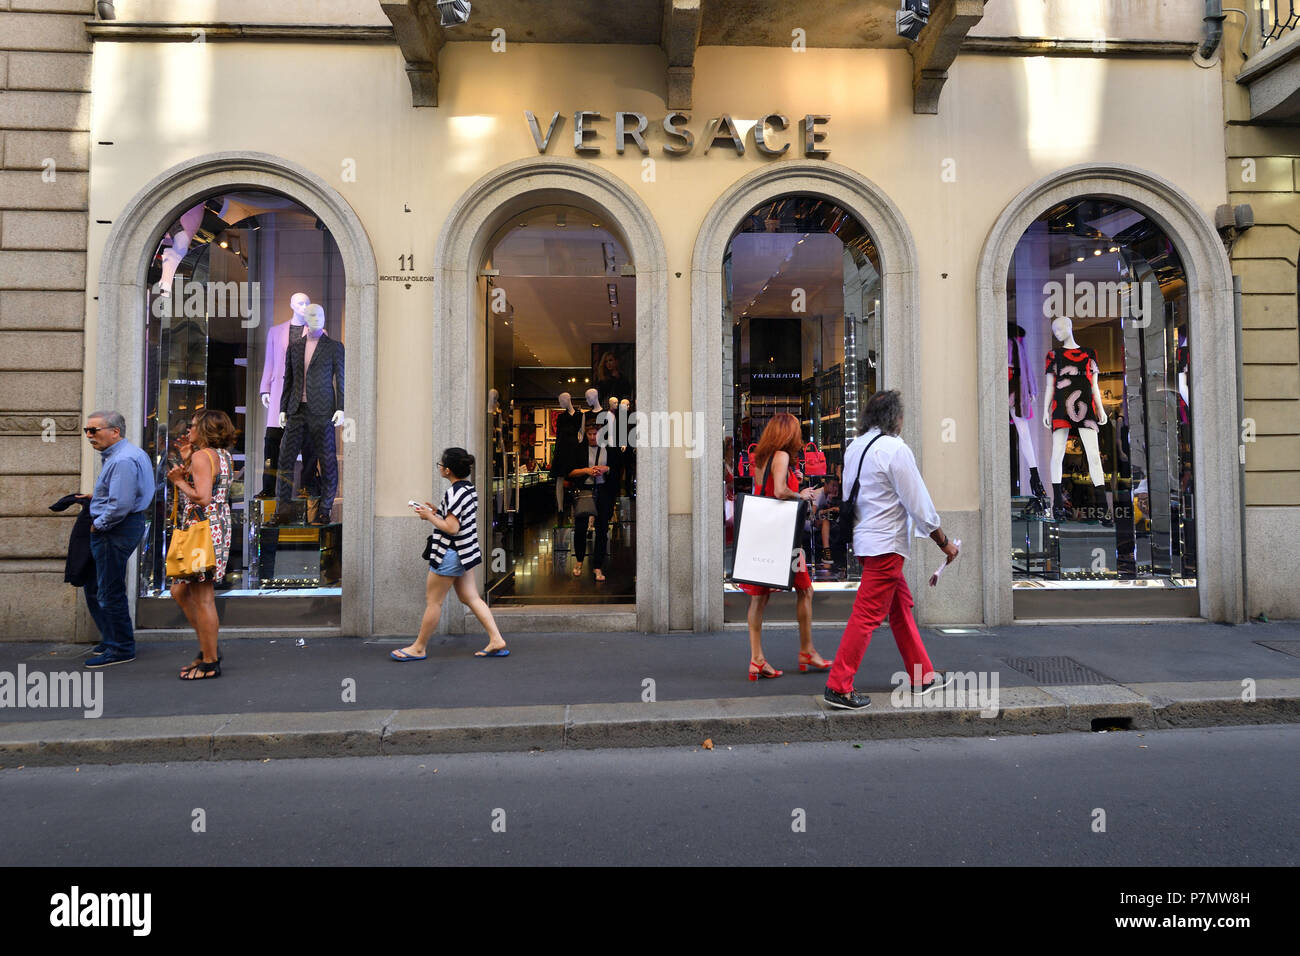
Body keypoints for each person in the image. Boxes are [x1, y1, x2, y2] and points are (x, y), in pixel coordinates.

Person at [823, 390, 958, 710]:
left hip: (866, 542)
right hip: (887, 545)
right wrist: (944, 542)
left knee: (900, 608)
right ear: (894, 418)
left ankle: (922, 675)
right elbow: (919, 505)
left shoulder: (855, 448)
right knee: (866, 615)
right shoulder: (895, 450)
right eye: (901, 417)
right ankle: (839, 685)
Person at [737, 412, 831, 680]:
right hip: (784, 540)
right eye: (796, 431)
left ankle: (757, 659)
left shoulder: (763, 459)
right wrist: (799, 493)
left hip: (765, 537)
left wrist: (794, 479)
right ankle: (806, 651)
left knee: (759, 598)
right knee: (806, 590)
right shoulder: (782, 456)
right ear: (788, 433)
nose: (799, 436)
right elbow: (779, 492)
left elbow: (765, 491)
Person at [391, 447, 509, 661]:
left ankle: (418, 647)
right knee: (470, 597)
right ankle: (496, 639)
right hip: (465, 551)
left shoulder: (454, 492)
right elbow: (457, 520)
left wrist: (429, 517)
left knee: (433, 602)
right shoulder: (469, 489)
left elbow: (452, 528)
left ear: (447, 470)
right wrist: (436, 512)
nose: (440, 468)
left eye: (441, 465)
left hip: (450, 552)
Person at [167, 409, 237, 680]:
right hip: (215, 526)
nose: (189, 431)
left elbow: (203, 497)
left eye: (194, 426)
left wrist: (179, 481)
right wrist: (187, 462)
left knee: (203, 596)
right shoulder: (222, 456)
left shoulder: (202, 456)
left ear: (205, 429)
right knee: (180, 591)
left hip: (202, 529)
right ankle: (208, 648)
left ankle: (210, 660)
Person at [82, 410, 155, 668]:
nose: (89, 435)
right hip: (121, 525)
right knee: (100, 586)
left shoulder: (122, 460)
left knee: (109, 590)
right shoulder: (129, 454)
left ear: (115, 431)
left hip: (116, 528)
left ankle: (121, 647)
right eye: (87, 430)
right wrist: (97, 498)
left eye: (94, 430)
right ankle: (113, 639)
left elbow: (121, 504)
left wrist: (99, 524)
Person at [567, 420, 620, 583]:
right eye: (589, 434)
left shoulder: (610, 449)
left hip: (603, 492)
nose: (592, 437)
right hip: (584, 491)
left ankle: (598, 566)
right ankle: (579, 561)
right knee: (581, 527)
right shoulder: (579, 449)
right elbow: (569, 472)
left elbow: (617, 469)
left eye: (595, 434)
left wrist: (607, 469)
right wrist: (586, 470)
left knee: (602, 529)